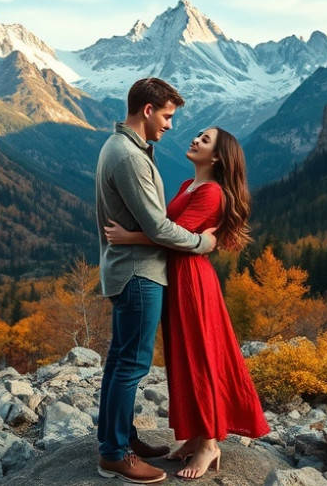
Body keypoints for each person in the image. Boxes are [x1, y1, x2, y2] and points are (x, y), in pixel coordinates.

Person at [105, 126, 271, 480]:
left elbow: (171, 237)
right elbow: (170, 228)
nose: (195, 139)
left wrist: (127, 237)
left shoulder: (211, 193)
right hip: (177, 278)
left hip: (193, 282)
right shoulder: (188, 186)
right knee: (184, 356)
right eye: (198, 135)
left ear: (216, 157)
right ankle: (196, 436)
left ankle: (210, 444)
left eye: (205, 140)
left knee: (203, 356)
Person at [95, 77, 217, 484]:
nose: (169, 125)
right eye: (166, 116)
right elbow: (160, 227)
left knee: (119, 361)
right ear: (148, 110)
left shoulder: (122, 148)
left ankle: (120, 439)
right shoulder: (129, 156)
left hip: (127, 268)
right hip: (139, 273)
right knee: (130, 364)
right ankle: (115, 454)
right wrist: (202, 242)